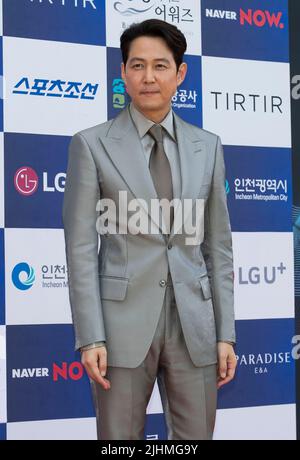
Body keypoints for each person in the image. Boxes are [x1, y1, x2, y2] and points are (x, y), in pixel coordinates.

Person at [63, 18, 237, 441]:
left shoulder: (208, 146)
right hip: (120, 328)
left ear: (180, 74)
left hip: (194, 325)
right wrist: (90, 337)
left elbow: (218, 246)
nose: (148, 77)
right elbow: (81, 249)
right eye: (137, 65)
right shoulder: (91, 144)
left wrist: (225, 332)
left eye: (160, 66)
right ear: (122, 72)